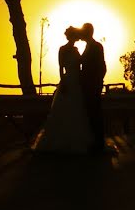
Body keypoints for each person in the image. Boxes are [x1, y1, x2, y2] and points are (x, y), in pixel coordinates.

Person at [32, 26, 93, 154]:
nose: (76, 39)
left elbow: (81, 65)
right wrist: (63, 82)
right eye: (74, 36)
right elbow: (61, 67)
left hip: (77, 81)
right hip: (68, 80)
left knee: (76, 110)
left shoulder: (77, 51)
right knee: (64, 109)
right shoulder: (62, 49)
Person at [79, 22, 107, 153]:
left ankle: (99, 142)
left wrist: (98, 82)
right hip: (86, 85)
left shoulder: (96, 46)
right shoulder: (87, 46)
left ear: (88, 32)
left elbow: (102, 66)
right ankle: (93, 140)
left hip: (94, 85)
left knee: (95, 112)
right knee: (90, 113)